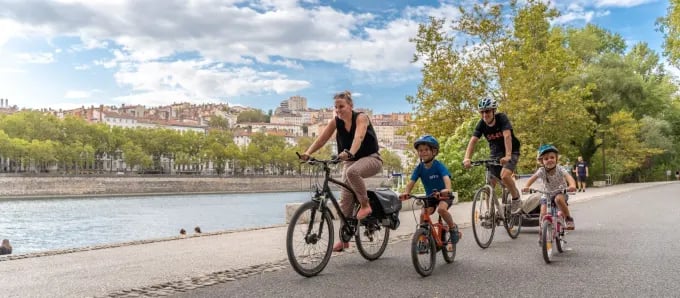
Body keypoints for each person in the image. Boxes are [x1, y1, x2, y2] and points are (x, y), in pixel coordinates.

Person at [300, 90, 383, 252]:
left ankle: (365, 205)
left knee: (352, 172)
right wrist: (308, 153)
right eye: (336, 107)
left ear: (351, 106)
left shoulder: (361, 117)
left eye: (341, 106)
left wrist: (349, 152)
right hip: (350, 161)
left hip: (372, 158)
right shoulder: (335, 121)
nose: (338, 110)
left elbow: (358, 137)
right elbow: (322, 139)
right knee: (345, 201)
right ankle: (344, 239)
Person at [400, 135, 461, 251]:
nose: (423, 153)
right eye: (420, 150)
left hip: (444, 195)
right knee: (423, 214)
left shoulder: (438, 165)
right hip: (431, 197)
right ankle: (423, 239)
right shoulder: (419, 168)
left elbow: (446, 178)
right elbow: (411, 182)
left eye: (426, 150)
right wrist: (406, 193)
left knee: (441, 210)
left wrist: (447, 189)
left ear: (434, 152)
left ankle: (453, 228)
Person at [463, 97, 522, 213]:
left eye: (488, 111)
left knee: (504, 176)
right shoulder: (481, 124)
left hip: (511, 150)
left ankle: (516, 199)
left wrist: (508, 155)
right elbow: (473, 141)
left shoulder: (502, 118)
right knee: (490, 181)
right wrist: (467, 158)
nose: (485, 114)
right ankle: (489, 213)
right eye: (482, 112)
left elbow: (507, 136)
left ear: (493, 111)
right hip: (495, 153)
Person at [522, 144, 576, 230]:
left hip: (560, 191)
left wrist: (572, 185)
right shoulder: (541, 171)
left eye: (552, 157)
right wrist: (526, 187)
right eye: (546, 159)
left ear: (556, 159)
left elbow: (569, 178)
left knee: (558, 199)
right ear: (542, 161)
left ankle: (568, 219)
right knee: (543, 213)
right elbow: (531, 179)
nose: (549, 160)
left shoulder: (560, 169)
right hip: (546, 194)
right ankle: (542, 232)